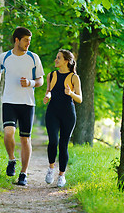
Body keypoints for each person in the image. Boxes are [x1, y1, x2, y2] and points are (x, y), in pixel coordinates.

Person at [0, 27, 44, 186]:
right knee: (8, 133)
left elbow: (40, 80)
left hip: (28, 103)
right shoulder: (4, 56)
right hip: (9, 101)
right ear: (17, 40)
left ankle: (23, 174)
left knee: (25, 138)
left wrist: (30, 83)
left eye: (29, 40)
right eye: (26, 40)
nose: (29, 43)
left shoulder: (34, 58)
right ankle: (12, 159)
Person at [43, 49, 82, 187]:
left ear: (66, 61)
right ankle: (51, 168)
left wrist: (70, 93)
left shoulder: (74, 77)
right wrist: (47, 96)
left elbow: (80, 99)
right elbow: (49, 91)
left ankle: (61, 175)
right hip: (52, 112)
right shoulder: (51, 75)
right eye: (56, 57)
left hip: (68, 114)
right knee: (53, 141)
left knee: (63, 144)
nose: (56, 60)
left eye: (58, 58)